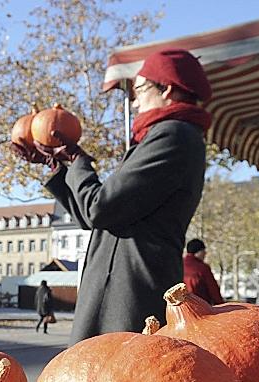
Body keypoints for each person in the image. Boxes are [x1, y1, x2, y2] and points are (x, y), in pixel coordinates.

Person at [12, 48, 212, 343]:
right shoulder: (166, 135)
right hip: (119, 287)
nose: (135, 99)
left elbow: (100, 208)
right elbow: (90, 215)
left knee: (115, 380)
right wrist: (59, 165)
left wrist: (78, 160)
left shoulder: (174, 135)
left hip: (129, 292)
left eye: (140, 89)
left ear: (167, 89)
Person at [183, 239, 224, 305]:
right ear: (198, 251)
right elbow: (213, 290)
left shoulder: (179, 265)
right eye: (203, 251)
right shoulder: (203, 268)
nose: (205, 253)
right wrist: (221, 304)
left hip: (182, 308)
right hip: (202, 307)